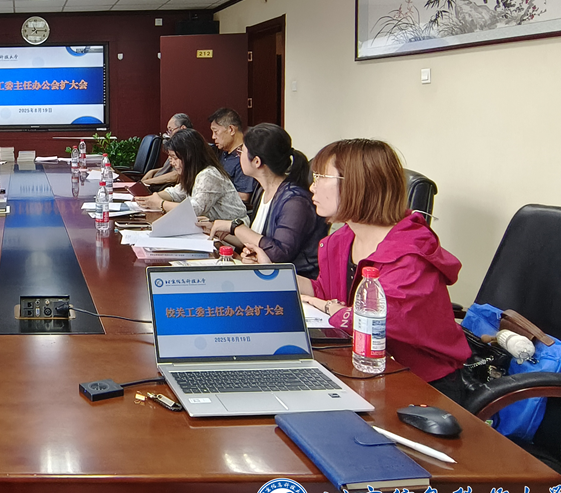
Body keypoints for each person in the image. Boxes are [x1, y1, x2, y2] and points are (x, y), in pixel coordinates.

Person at [300, 138, 471, 392]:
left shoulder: (410, 253)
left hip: (421, 384)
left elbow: (371, 320)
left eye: (320, 177)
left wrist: (325, 306)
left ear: (357, 185)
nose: (312, 187)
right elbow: (326, 291)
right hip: (360, 368)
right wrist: (277, 279)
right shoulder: (342, 239)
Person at [199, 123, 327, 279]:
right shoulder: (263, 191)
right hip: (265, 277)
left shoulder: (295, 201)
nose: (239, 155)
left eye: (241, 151)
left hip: (295, 284)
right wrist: (218, 230)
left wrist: (235, 227)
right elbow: (258, 241)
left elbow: (279, 253)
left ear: (257, 161)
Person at [135, 128, 246, 221]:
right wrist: (150, 198)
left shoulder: (209, 175)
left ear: (189, 156)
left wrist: (160, 203)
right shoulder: (194, 173)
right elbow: (176, 193)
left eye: (175, 158)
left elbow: (196, 210)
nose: (172, 163)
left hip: (232, 232)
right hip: (212, 227)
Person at [208, 107, 259, 205]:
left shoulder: (244, 158)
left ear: (231, 130)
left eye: (216, 132)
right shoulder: (223, 153)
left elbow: (244, 196)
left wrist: (214, 195)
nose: (213, 137)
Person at [140, 113, 192, 187]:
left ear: (183, 128)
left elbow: (177, 174)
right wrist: (152, 171)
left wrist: (146, 182)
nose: (168, 135)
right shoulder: (175, 146)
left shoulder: (189, 147)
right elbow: (169, 168)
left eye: (171, 130)